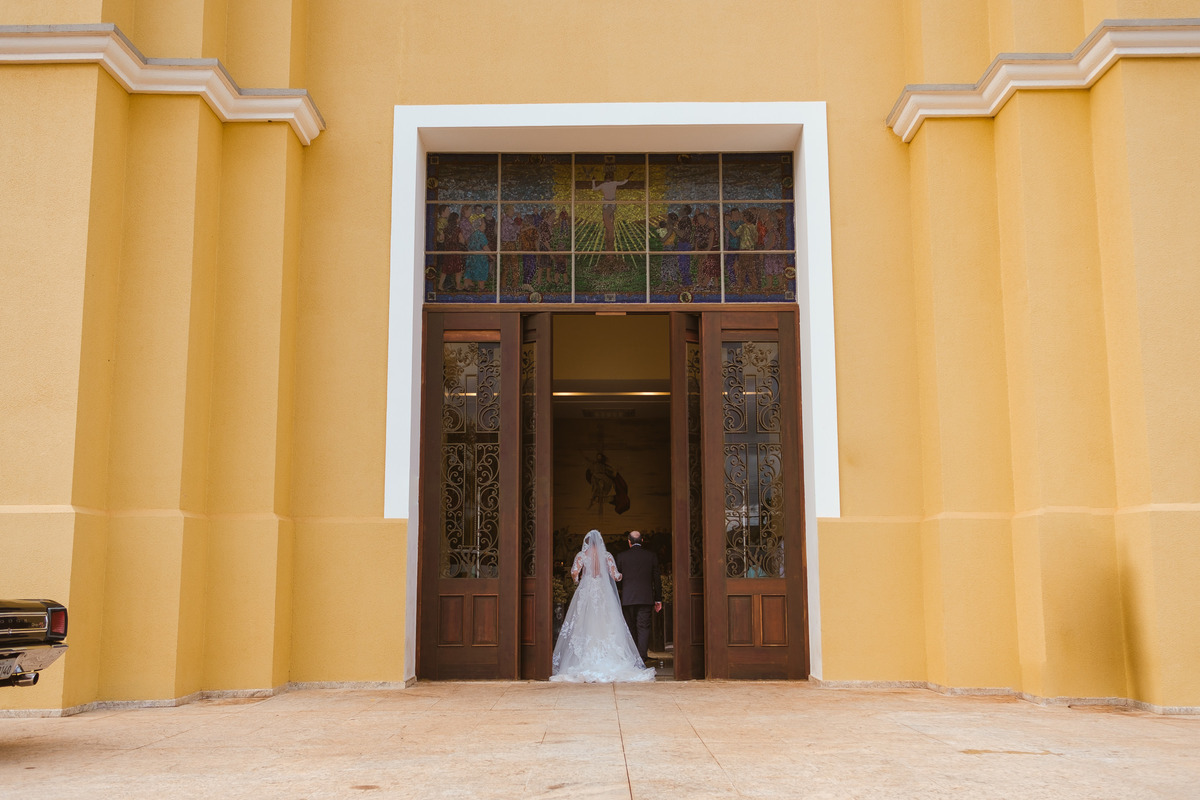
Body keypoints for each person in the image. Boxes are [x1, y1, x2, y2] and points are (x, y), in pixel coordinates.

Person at [551, 530, 655, 683]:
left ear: (587, 542)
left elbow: (574, 572)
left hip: (587, 592)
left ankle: (584, 658)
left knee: (584, 623)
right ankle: (609, 657)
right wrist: (623, 576)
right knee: (607, 623)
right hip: (603, 593)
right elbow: (616, 576)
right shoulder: (607, 556)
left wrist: (577, 580)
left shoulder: (581, 555)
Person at [614, 530, 662, 664]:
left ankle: (632, 657)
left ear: (629, 542)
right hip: (646, 598)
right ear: (642, 541)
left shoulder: (621, 556)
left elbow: (617, 579)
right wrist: (658, 599)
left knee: (630, 627)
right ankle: (641, 658)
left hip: (628, 599)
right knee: (643, 627)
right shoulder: (651, 556)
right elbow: (656, 579)